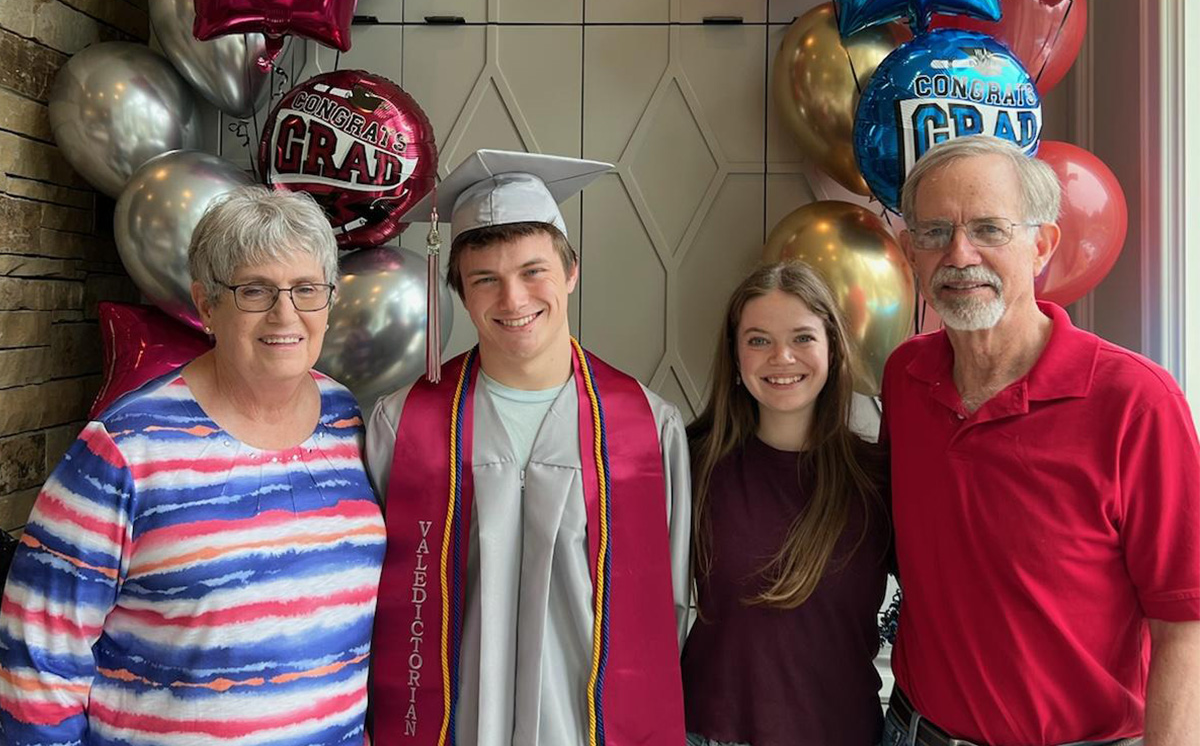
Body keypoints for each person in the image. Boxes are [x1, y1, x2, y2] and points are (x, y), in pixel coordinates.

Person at [0, 187, 386, 744]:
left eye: (306, 289)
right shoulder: (125, 448)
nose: (286, 313)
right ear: (207, 305)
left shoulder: (349, 422)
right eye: (255, 290)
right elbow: (37, 654)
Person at [881, 135, 1200, 746]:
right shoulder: (906, 378)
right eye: (934, 232)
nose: (960, 254)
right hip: (914, 732)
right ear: (908, 252)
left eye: (989, 229)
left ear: (1041, 245)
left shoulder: (1136, 402)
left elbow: (1184, 622)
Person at [366, 149, 691, 746]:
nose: (513, 300)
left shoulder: (647, 427)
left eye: (533, 271)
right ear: (461, 293)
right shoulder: (403, 424)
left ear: (571, 271)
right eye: (485, 278)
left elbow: (666, 609)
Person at [682, 261, 890, 746]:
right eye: (758, 340)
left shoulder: (879, 475)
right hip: (709, 731)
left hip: (844, 733)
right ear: (735, 357)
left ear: (832, 348)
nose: (781, 357)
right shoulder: (690, 463)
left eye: (802, 338)